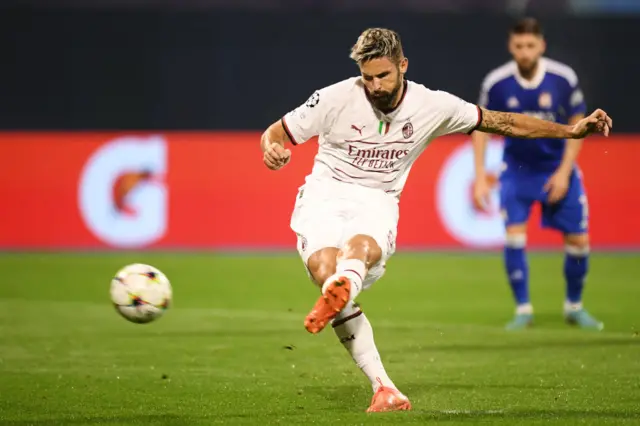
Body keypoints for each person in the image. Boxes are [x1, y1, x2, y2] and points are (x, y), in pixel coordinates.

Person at [260, 27, 611, 412]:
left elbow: (504, 122)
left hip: (377, 198)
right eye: (368, 77)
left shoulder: (433, 105)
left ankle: (349, 292)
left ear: (403, 66)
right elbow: (276, 132)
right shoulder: (333, 98)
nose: (375, 85)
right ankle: (382, 382)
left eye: (384, 75)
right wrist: (272, 150)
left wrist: (571, 130)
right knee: (323, 269)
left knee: (358, 253)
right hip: (325, 193)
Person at [471, 18, 604, 331]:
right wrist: (480, 176)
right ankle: (523, 310)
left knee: (579, 241)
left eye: (530, 45)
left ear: (541, 45)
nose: (525, 52)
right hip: (517, 172)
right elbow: (480, 129)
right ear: (511, 46)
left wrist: (564, 171)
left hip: (556, 168)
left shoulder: (562, 78)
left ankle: (574, 306)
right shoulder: (497, 82)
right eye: (519, 46)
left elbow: (577, 123)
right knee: (514, 238)